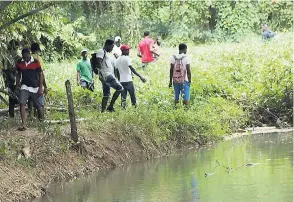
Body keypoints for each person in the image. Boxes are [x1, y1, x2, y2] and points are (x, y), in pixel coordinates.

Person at [16, 48, 43, 131]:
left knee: (38, 106)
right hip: (25, 86)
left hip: (35, 87)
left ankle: (41, 122)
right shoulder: (19, 62)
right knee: (22, 103)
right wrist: (17, 83)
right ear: (22, 56)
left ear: (30, 54)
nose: (26, 59)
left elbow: (41, 75)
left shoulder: (36, 62)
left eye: (27, 57)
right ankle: (24, 124)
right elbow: (18, 73)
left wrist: (40, 88)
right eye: (24, 57)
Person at [96, 39, 123, 112]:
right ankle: (110, 106)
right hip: (106, 75)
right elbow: (98, 62)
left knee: (106, 94)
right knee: (120, 88)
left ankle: (103, 111)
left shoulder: (104, 53)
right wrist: (102, 74)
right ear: (107, 45)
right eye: (112, 46)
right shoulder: (101, 51)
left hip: (106, 75)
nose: (112, 48)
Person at [115, 44, 146, 108]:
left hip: (121, 81)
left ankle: (123, 109)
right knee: (132, 96)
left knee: (123, 97)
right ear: (123, 51)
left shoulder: (117, 60)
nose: (129, 51)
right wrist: (141, 77)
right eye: (127, 50)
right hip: (128, 80)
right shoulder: (127, 58)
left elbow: (116, 71)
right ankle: (134, 108)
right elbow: (132, 69)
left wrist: (118, 80)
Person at [0, 40, 21, 117]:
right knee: (12, 98)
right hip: (10, 80)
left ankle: (13, 114)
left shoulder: (16, 57)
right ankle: (12, 115)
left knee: (14, 97)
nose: (17, 49)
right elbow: (5, 70)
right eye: (16, 47)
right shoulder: (6, 57)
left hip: (15, 79)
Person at [29, 42, 47, 118]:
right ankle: (41, 119)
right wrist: (45, 86)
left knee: (30, 100)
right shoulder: (38, 58)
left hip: (28, 82)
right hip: (37, 82)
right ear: (37, 50)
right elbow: (41, 73)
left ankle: (31, 117)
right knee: (40, 103)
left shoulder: (27, 58)